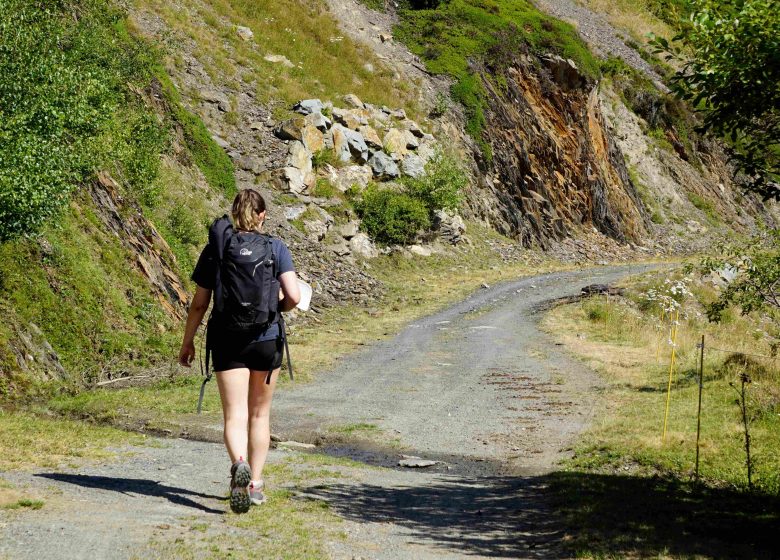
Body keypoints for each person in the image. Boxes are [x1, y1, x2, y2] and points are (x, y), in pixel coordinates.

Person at [178, 188, 300, 513]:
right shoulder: (275, 247)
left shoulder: (217, 248)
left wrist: (187, 341)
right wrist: (280, 308)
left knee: (234, 415)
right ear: (262, 215)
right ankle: (255, 484)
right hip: (266, 339)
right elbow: (295, 296)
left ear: (234, 214)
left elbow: (199, 304)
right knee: (259, 415)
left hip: (227, 340)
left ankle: (239, 465)